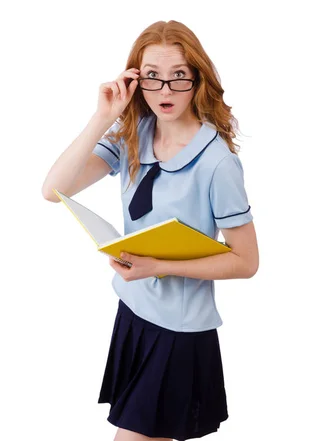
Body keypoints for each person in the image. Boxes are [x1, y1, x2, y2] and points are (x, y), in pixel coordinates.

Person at [42, 20, 259, 441]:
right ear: (135, 82)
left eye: (178, 76)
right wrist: (103, 115)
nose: (165, 91)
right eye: (152, 78)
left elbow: (247, 262)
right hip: (134, 314)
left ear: (198, 79)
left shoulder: (217, 162)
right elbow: (53, 190)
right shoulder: (131, 136)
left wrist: (158, 264)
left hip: (178, 330)